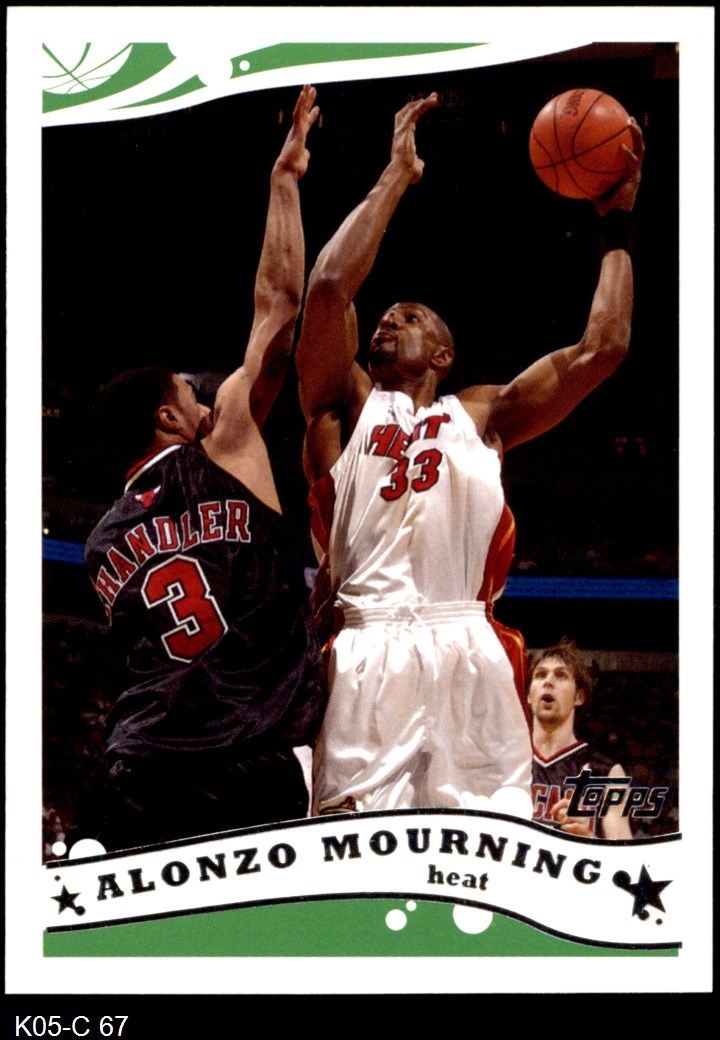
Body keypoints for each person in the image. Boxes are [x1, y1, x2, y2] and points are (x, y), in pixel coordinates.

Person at [296, 93, 644, 816]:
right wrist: (395, 177)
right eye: (384, 315)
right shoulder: (345, 407)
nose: (389, 319)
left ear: (443, 355)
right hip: (366, 644)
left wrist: (617, 223)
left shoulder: (481, 415)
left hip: (469, 643)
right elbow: (328, 287)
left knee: (491, 845)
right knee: (353, 848)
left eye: (410, 317)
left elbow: (603, 349)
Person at [82, 86, 325, 850]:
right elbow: (279, 304)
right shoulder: (221, 452)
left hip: (138, 763)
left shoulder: (99, 545)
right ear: (168, 419)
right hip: (245, 755)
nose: (208, 405)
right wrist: (284, 180)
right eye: (193, 398)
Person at [528, 640, 632, 839]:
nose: (548, 682)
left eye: (561, 675)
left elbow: (624, 854)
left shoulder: (607, 773)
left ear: (578, 697)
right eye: (540, 675)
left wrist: (588, 838)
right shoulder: (504, 763)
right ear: (528, 696)